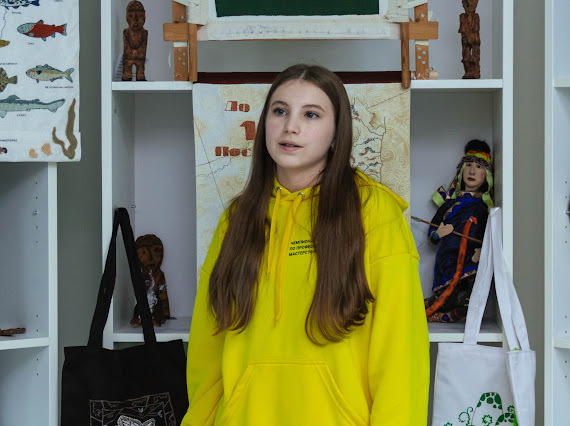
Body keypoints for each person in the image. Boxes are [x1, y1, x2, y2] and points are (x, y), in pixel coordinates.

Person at [182, 64, 429, 425]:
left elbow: (401, 353)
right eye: (279, 111)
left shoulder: (373, 212)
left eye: (311, 114)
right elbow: (207, 349)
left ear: (336, 134)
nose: (290, 127)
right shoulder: (237, 218)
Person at [424, 139, 493, 322]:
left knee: (470, 300)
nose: (472, 171)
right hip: (448, 262)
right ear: (461, 170)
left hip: (472, 263)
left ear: (486, 175)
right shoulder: (449, 205)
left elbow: (492, 235)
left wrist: (483, 250)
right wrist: (438, 233)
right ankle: (434, 310)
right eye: (468, 165)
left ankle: (446, 315)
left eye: (478, 167)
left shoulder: (484, 208)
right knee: (446, 299)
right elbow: (432, 232)